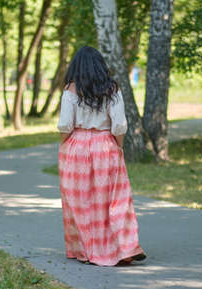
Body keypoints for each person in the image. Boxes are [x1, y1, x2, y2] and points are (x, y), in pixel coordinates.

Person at [57, 46, 146, 266]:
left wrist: (64, 146)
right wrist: (119, 148)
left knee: (81, 202)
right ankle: (124, 247)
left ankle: (87, 251)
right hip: (106, 145)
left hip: (77, 147)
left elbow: (65, 124)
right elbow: (119, 126)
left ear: (76, 67)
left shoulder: (70, 91)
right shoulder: (113, 90)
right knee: (115, 200)